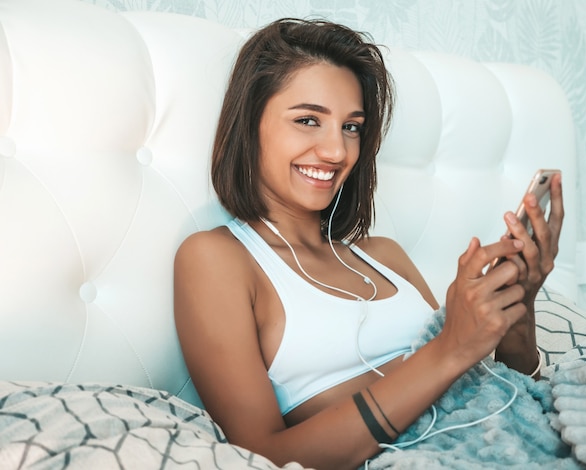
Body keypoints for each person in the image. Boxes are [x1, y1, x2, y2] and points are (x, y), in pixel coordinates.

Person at [173, 18, 562, 470]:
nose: (337, 152)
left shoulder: (383, 256)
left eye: (351, 127)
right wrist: (450, 347)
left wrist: (518, 304)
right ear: (250, 122)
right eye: (308, 120)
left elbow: (498, 391)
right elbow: (263, 454)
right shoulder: (217, 259)